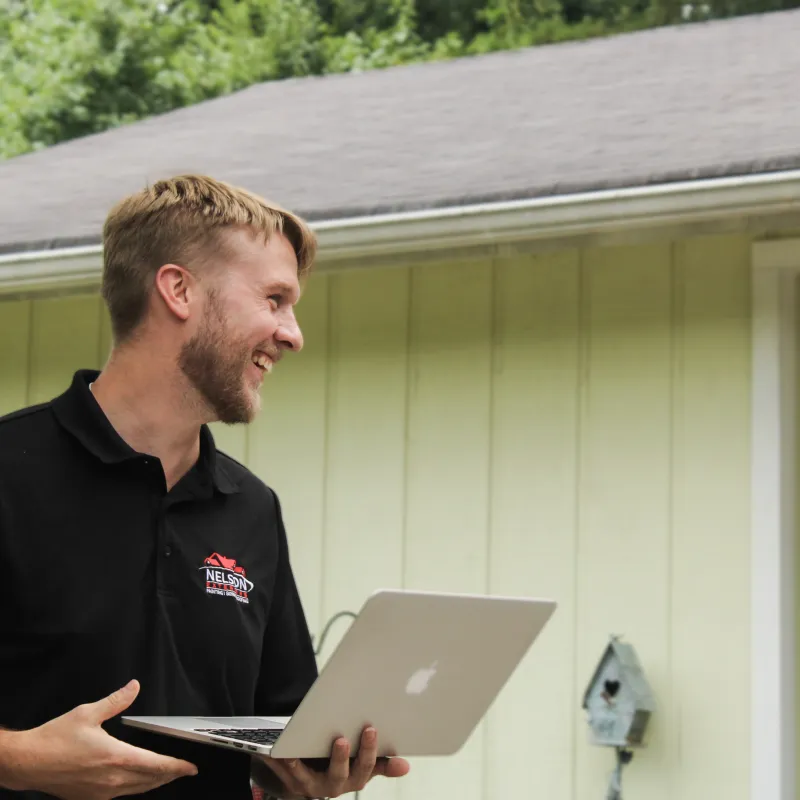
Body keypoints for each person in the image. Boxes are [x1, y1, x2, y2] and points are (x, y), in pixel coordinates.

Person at [0, 175, 411, 799]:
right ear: (179, 290)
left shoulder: (252, 508)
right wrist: (19, 760)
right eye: (274, 299)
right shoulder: (10, 471)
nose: (293, 334)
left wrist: (311, 768)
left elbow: (280, 727)